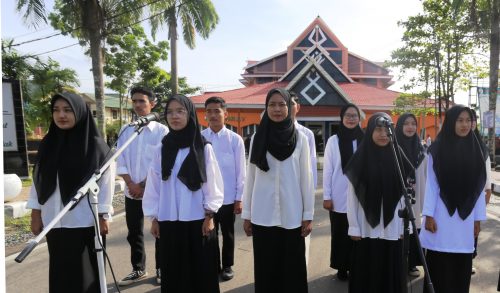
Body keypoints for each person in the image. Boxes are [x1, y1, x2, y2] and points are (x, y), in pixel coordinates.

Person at [27, 92, 114, 293]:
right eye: (56, 110)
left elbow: (106, 183)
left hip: (85, 221)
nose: (61, 115)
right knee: (60, 274)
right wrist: (35, 213)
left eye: (67, 110)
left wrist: (103, 215)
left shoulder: (95, 146)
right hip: (53, 221)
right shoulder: (48, 144)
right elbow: (37, 180)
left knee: (87, 275)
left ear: (80, 112)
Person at [143, 94, 224, 293]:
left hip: (198, 220)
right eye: (170, 112)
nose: (174, 116)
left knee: (200, 273)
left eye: (180, 111)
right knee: (174, 273)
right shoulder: (162, 147)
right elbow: (154, 185)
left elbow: (213, 184)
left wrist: (210, 214)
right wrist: (154, 217)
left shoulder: (202, 147)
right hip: (169, 220)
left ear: (190, 114)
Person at [242, 88, 314, 293]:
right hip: (263, 215)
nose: (277, 109)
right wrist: (247, 214)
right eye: (272, 104)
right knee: (267, 269)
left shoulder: (300, 138)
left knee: (293, 269)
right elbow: (251, 178)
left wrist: (307, 215)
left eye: (282, 104)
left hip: (292, 216)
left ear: (290, 108)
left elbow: (306, 178)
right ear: (266, 108)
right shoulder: (257, 138)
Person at [420, 105, 487, 293]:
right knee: (439, 262)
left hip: (466, 218)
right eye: (460, 120)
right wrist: (429, 215)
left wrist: (477, 219)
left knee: (461, 264)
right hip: (441, 215)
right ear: (451, 122)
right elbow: (432, 185)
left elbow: (478, 188)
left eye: (468, 120)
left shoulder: (477, 150)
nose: (465, 125)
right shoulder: (437, 149)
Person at [345, 112, 405, 293]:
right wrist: (354, 226)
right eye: (378, 129)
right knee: (367, 271)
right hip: (365, 228)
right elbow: (352, 197)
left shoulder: (398, 157)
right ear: (370, 131)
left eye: (387, 130)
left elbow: (404, 197)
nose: (383, 134)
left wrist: (402, 227)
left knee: (389, 271)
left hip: (392, 227)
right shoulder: (360, 159)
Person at [116, 86, 169, 286]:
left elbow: (162, 164)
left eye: (142, 101)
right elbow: (120, 159)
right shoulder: (126, 130)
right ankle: (138, 268)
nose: (138, 105)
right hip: (132, 192)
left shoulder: (162, 131)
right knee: (134, 232)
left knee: (159, 231)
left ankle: (162, 268)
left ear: (152, 104)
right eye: (135, 101)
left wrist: (144, 186)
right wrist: (130, 183)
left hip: (155, 192)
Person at [201, 96, 246, 281]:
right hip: (207, 198)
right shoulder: (200, 138)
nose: (213, 115)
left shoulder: (235, 140)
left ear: (225, 114)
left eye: (217, 111)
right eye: (209, 111)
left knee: (227, 234)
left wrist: (239, 198)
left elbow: (241, 171)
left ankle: (227, 265)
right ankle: (213, 265)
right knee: (209, 234)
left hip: (228, 198)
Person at [323, 103, 364, 281]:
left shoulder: (366, 139)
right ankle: (341, 266)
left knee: (359, 233)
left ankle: (358, 265)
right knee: (340, 233)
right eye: (347, 115)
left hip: (361, 195)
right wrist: (327, 196)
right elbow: (328, 170)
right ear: (342, 117)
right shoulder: (333, 141)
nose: (351, 118)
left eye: (354, 115)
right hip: (339, 195)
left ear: (359, 118)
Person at [395, 113, 428, 277]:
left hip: (416, 196)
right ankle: (397, 263)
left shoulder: (422, 149)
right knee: (397, 228)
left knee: (414, 227)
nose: (410, 127)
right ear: (399, 126)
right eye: (406, 124)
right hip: (396, 197)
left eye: (413, 124)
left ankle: (412, 264)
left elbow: (427, 176)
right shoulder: (392, 148)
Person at [290, 91, 317, 266]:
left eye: (291, 103)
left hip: (300, 193)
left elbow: (311, 168)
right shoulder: (264, 133)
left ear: (297, 107)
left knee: (300, 237)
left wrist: (309, 202)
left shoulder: (306, 134)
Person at [468, 110, 491, 275]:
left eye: (471, 120)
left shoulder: (481, 146)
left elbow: (487, 168)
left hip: (476, 195)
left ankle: (469, 259)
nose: (469, 124)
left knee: (474, 227)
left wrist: (488, 189)